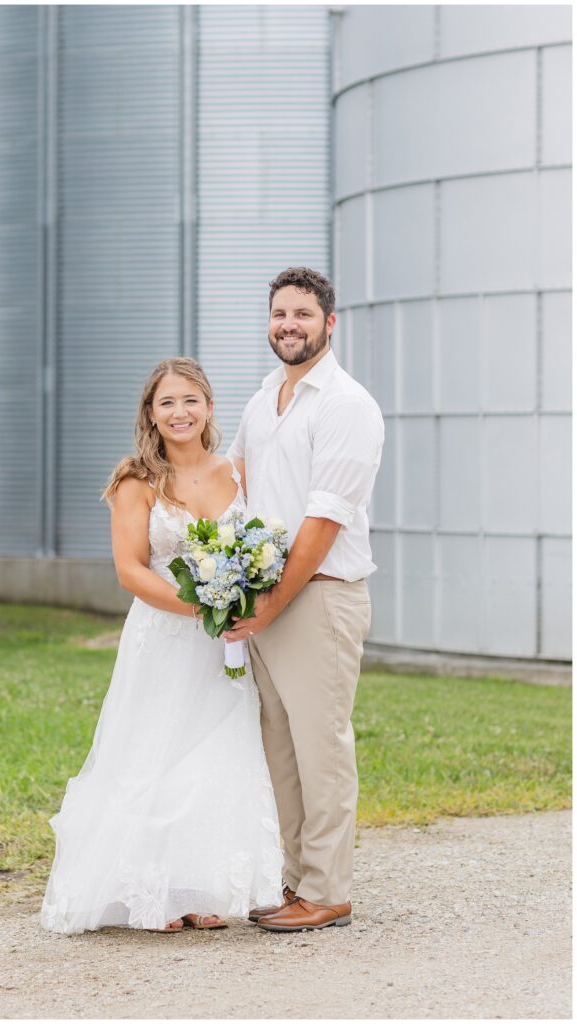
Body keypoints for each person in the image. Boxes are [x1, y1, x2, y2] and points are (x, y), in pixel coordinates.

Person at [40, 358, 283, 935]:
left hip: (223, 646)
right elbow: (130, 570)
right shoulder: (137, 482)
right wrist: (204, 608)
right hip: (164, 638)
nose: (180, 413)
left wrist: (240, 603)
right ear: (151, 413)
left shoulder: (238, 474)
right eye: (167, 403)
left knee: (215, 754)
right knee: (153, 753)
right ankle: (150, 892)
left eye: (190, 400)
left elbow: (259, 545)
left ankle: (199, 888)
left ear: (209, 408)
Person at [225, 267, 384, 933]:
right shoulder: (265, 399)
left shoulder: (346, 404)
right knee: (280, 749)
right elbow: (233, 484)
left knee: (321, 747)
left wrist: (268, 605)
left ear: (329, 322)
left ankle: (328, 888)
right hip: (266, 598)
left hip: (318, 598)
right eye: (280, 314)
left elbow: (321, 526)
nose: (289, 325)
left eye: (303, 314)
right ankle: (296, 883)